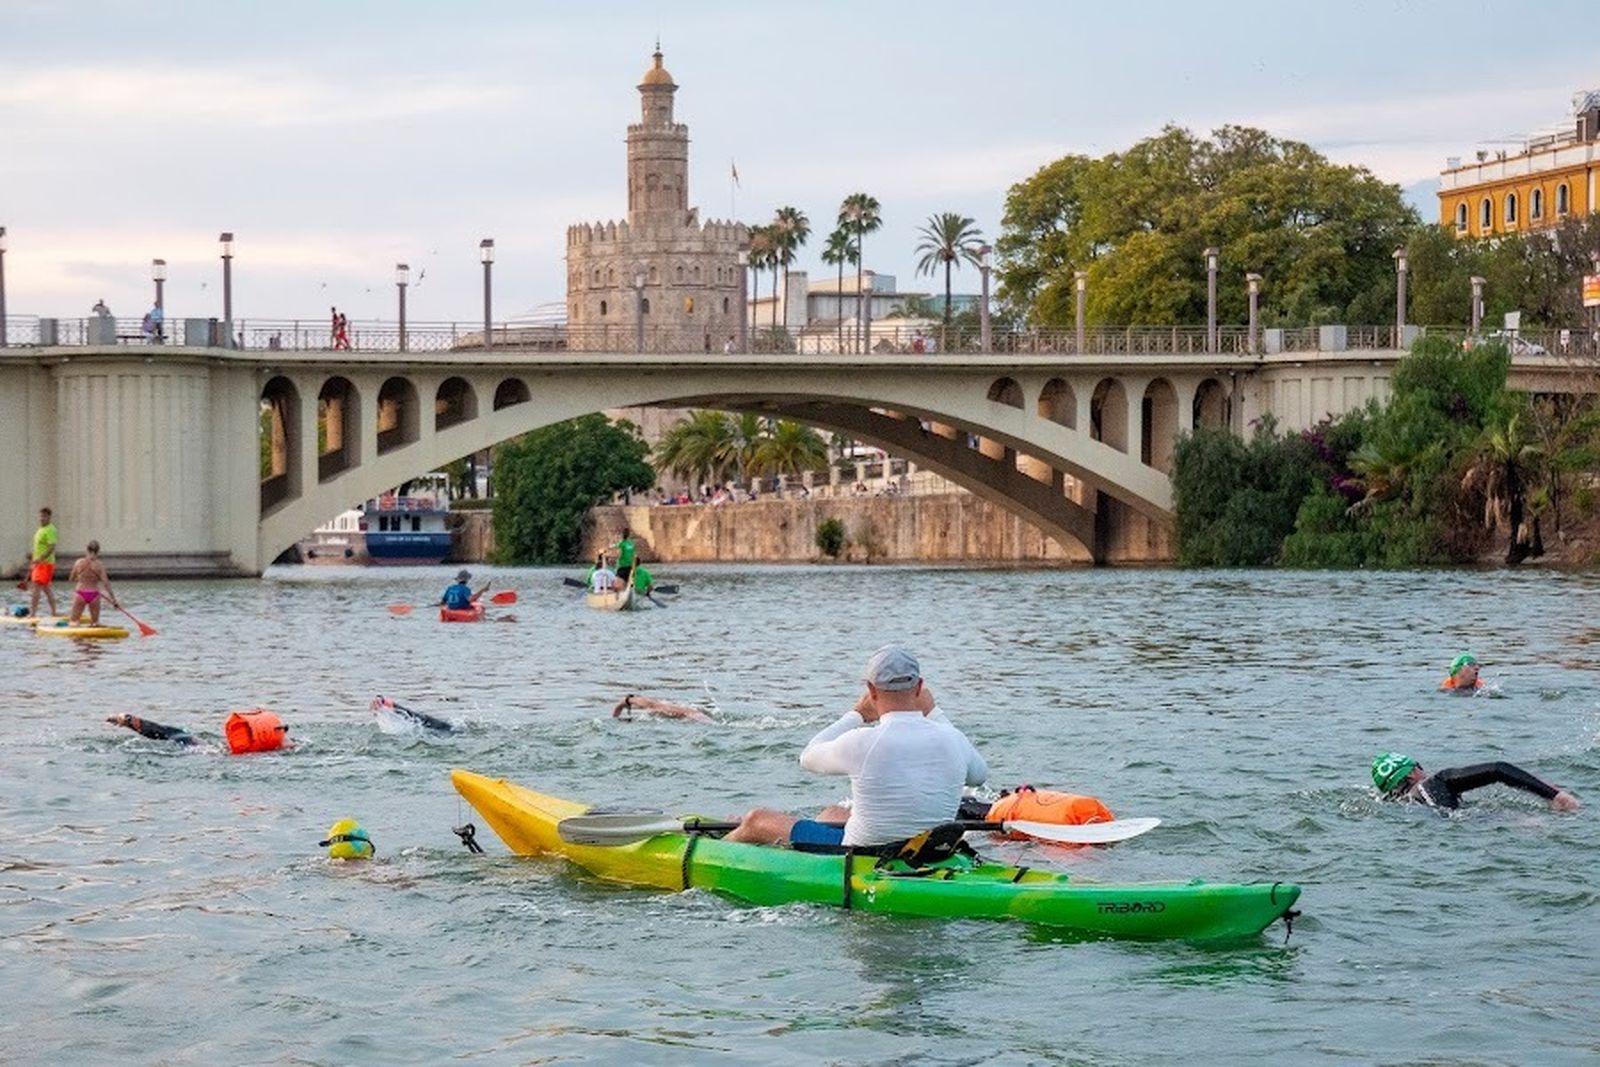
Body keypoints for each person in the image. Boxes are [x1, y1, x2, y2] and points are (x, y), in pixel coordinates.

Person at [725, 646, 988, 848]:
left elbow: (807, 757)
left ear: (871, 691)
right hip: (931, 849)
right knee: (831, 814)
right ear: (919, 687)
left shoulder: (861, 740)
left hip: (863, 853)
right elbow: (979, 776)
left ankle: (714, 850)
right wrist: (934, 712)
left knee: (756, 819)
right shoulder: (954, 738)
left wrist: (856, 715)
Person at [1371, 752, 1580, 812]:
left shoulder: (1395, 802)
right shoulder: (1434, 783)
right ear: (1410, 774)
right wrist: (1555, 795)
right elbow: (1497, 769)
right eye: (1417, 766)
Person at [66, 540, 120, 625]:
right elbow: (106, 583)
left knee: (74, 622)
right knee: (95, 623)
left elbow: (71, 579)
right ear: (98, 552)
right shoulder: (99, 565)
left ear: (86, 550)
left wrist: (81, 579)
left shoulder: (78, 562)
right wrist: (114, 600)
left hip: (80, 593)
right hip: (94, 594)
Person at [28, 507, 59, 618]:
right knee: (46, 589)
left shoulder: (51, 529)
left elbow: (51, 547)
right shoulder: (40, 529)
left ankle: (33, 614)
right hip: (39, 564)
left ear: (49, 517)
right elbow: (37, 548)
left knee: (36, 588)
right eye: (41, 516)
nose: (42, 518)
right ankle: (54, 612)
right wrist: (33, 562)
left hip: (45, 564)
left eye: (45, 516)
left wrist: (40, 558)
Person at [612, 694, 713, 724]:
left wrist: (621, 705)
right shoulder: (669, 706)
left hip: (694, 718)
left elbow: (651, 705)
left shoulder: (659, 707)